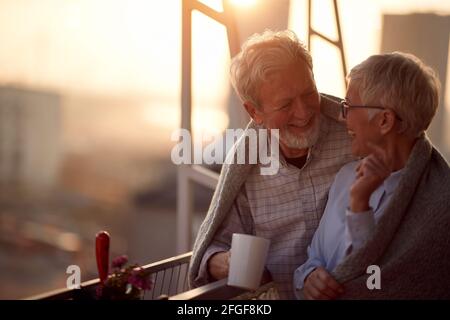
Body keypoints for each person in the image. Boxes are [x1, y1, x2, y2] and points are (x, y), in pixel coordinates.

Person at [188, 29, 354, 299]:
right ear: (255, 112)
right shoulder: (246, 164)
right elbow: (212, 247)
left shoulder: (354, 132)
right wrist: (225, 262)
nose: (303, 112)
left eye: (309, 93)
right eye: (286, 104)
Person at [294, 52, 450, 299]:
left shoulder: (440, 206)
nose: (342, 117)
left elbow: (370, 279)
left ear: (385, 120)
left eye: (349, 107)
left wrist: (360, 205)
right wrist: (308, 277)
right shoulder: (346, 177)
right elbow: (312, 261)